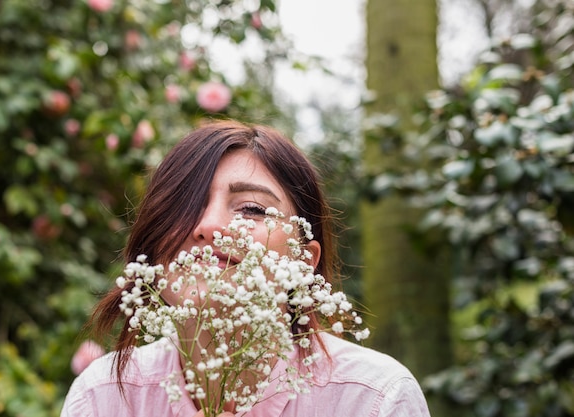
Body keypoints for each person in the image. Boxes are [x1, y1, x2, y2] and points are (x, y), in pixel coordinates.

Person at [61, 120, 431, 417]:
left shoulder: (374, 400)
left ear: (303, 261)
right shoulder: (104, 397)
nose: (208, 226)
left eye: (251, 209)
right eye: (184, 206)